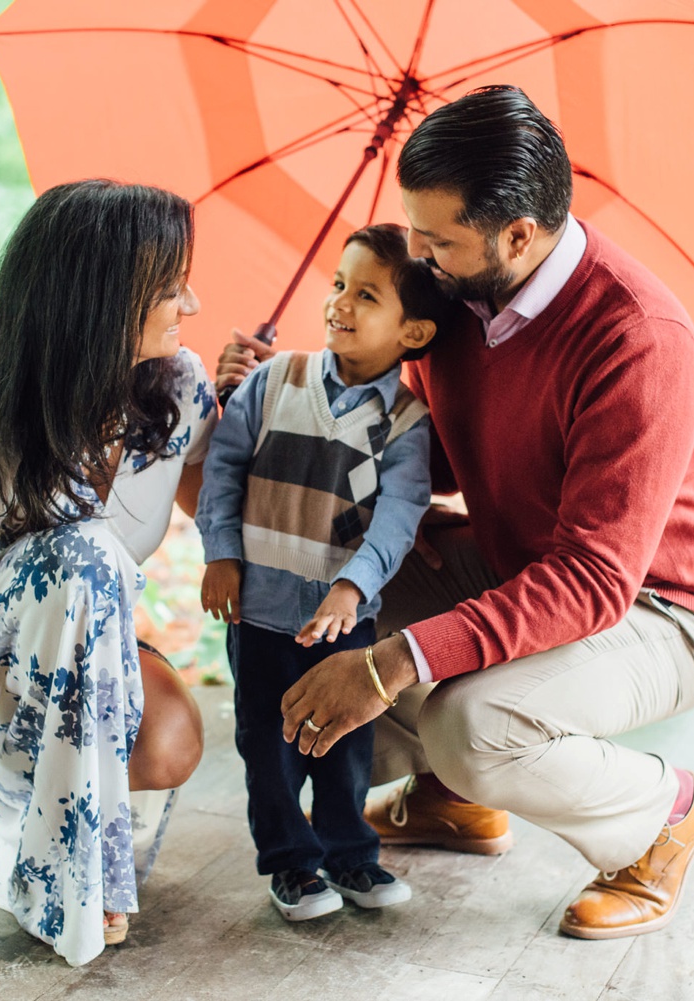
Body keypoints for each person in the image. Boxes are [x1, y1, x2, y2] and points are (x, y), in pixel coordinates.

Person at [216, 85, 694, 940]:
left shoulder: (638, 336)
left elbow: (591, 579)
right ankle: (453, 798)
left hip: (664, 606)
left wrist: (394, 661)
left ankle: (660, 820)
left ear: (518, 235)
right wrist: (277, 401)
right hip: (515, 559)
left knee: (470, 722)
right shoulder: (457, 299)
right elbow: (411, 459)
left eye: (439, 241)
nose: (419, 258)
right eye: (416, 233)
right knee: (303, 609)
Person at [0, 179, 219, 966]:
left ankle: (36, 810)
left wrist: (265, 392)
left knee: (166, 743)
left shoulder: (181, 388)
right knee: (86, 550)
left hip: (79, 632)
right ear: (104, 300)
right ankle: (62, 869)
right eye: (171, 287)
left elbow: (223, 504)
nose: (191, 302)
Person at [196, 224, 450, 921]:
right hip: (261, 611)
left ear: (415, 333)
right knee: (267, 745)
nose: (339, 302)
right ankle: (291, 865)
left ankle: (350, 854)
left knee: (343, 744)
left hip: (343, 624)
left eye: (366, 294)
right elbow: (223, 469)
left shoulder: (405, 424)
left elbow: (399, 517)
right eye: (339, 283)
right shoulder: (274, 382)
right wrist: (221, 551)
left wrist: (353, 585)